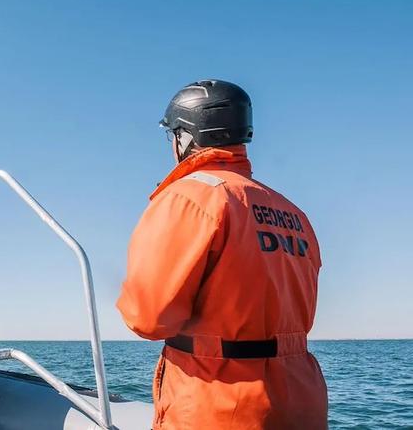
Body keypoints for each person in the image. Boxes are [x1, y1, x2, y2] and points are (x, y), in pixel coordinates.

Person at [116, 80, 327, 429]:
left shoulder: (187, 198)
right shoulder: (292, 212)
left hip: (220, 403)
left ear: (185, 137)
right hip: (301, 399)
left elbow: (148, 318)